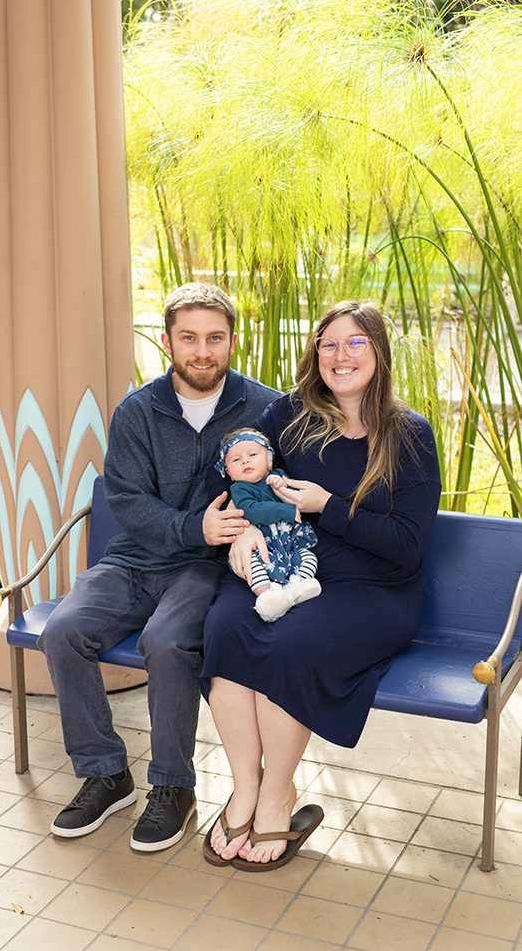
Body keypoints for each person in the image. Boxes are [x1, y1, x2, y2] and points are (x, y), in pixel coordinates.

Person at [201, 300, 442, 871]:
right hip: (291, 568)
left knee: (293, 644)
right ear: (316, 354)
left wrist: (326, 506)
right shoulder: (291, 414)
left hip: (376, 589)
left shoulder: (408, 435)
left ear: (379, 353)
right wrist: (238, 532)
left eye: (356, 342)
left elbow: (408, 545)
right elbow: (235, 470)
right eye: (329, 343)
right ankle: (245, 787)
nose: (341, 355)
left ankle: (278, 795)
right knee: (225, 624)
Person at [38, 283, 279, 852]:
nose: (202, 351)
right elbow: (126, 499)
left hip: (208, 570)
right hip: (136, 558)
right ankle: (105, 773)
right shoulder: (137, 411)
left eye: (214, 338)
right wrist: (190, 526)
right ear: (168, 341)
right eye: (189, 338)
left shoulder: (268, 408)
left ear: (232, 341)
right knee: (63, 631)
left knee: (168, 643)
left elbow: (276, 491)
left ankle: (173, 786)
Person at [215, 428, 321, 620]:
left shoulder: (279, 476)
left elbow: (294, 494)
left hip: (289, 542)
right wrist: (285, 511)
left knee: (308, 556)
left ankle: (298, 586)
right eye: (236, 460)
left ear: (269, 460)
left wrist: (281, 484)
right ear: (228, 472)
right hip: (261, 544)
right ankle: (268, 596)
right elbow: (251, 511)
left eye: (253, 455)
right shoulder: (240, 489)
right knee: (252, 566)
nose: (245, 461)